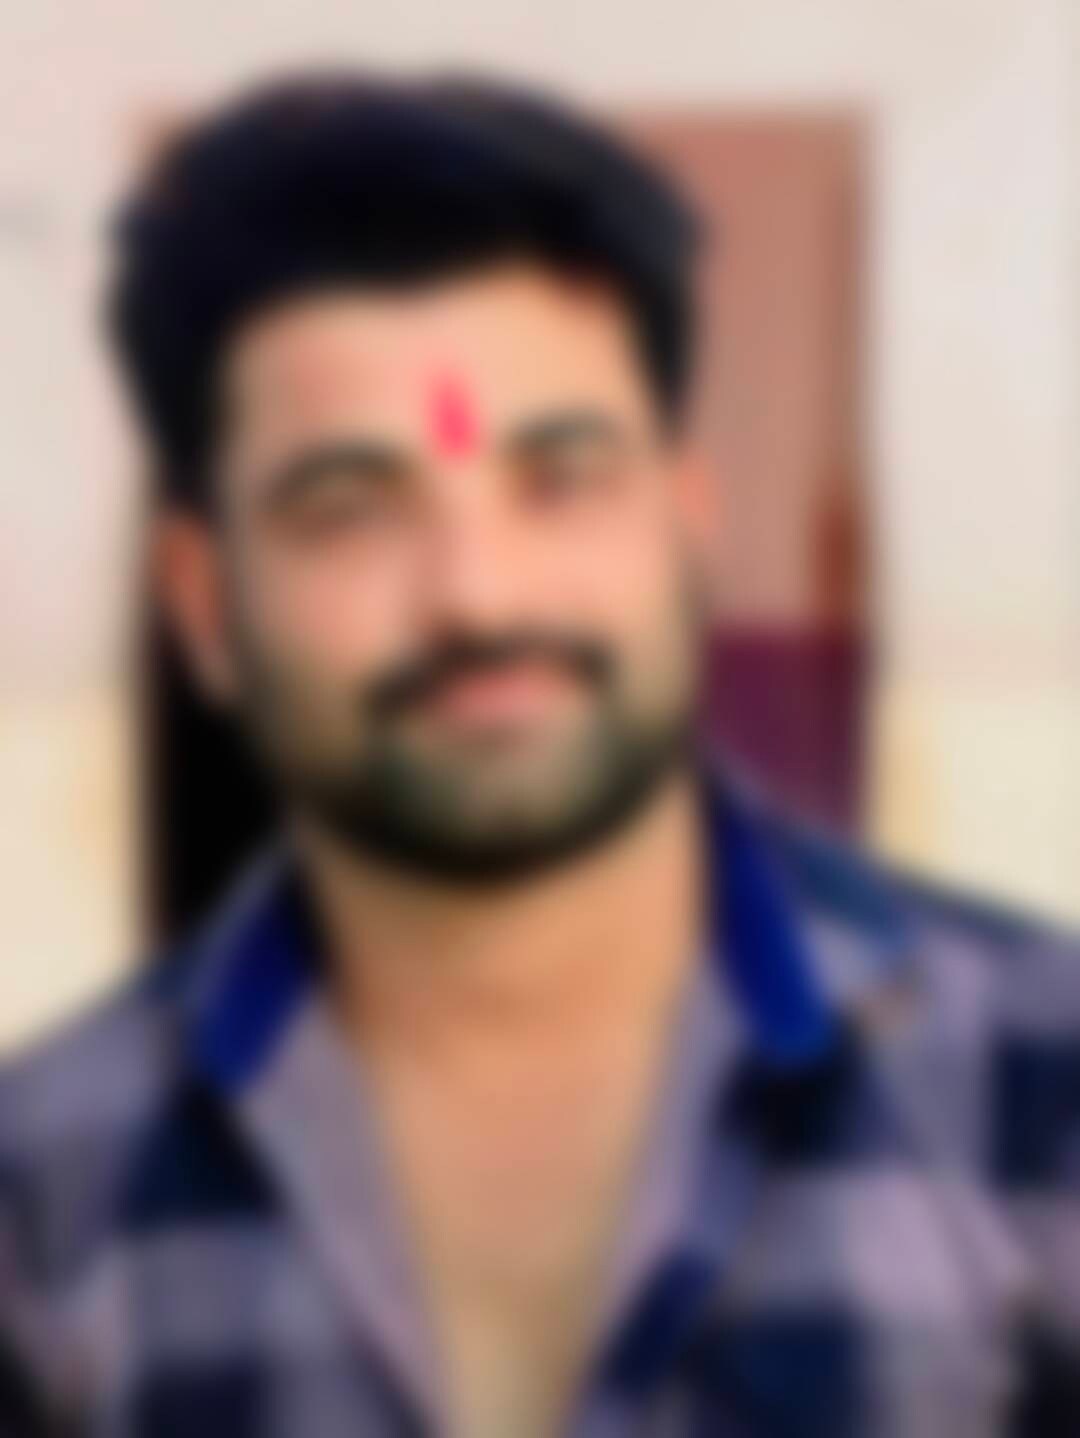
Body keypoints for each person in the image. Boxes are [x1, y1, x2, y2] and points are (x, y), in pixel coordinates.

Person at [2, 68, 1079, 1438]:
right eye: (349, 507)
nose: (479, 595)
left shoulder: (1040, 1087)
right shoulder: (41, 1196)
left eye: (560, 478)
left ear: (687, 523)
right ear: (205, 604)